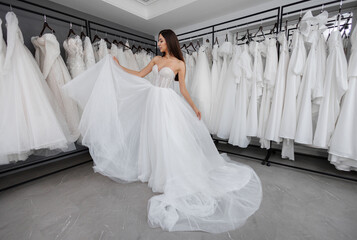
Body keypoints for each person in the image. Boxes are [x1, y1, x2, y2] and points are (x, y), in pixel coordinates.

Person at [63, 29, 262, 233]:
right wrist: (118, 66)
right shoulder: (156, 60)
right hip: (151, 100)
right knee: (153, 137)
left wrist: (195, 108)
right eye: (157, 40)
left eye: (161, 40)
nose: (158, 44)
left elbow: (183, 88)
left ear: (169, 41)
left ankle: (168, 172)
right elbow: (139, 74)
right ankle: (152, 169)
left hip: (167, 102)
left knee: (168, 137)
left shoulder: (180, 64)